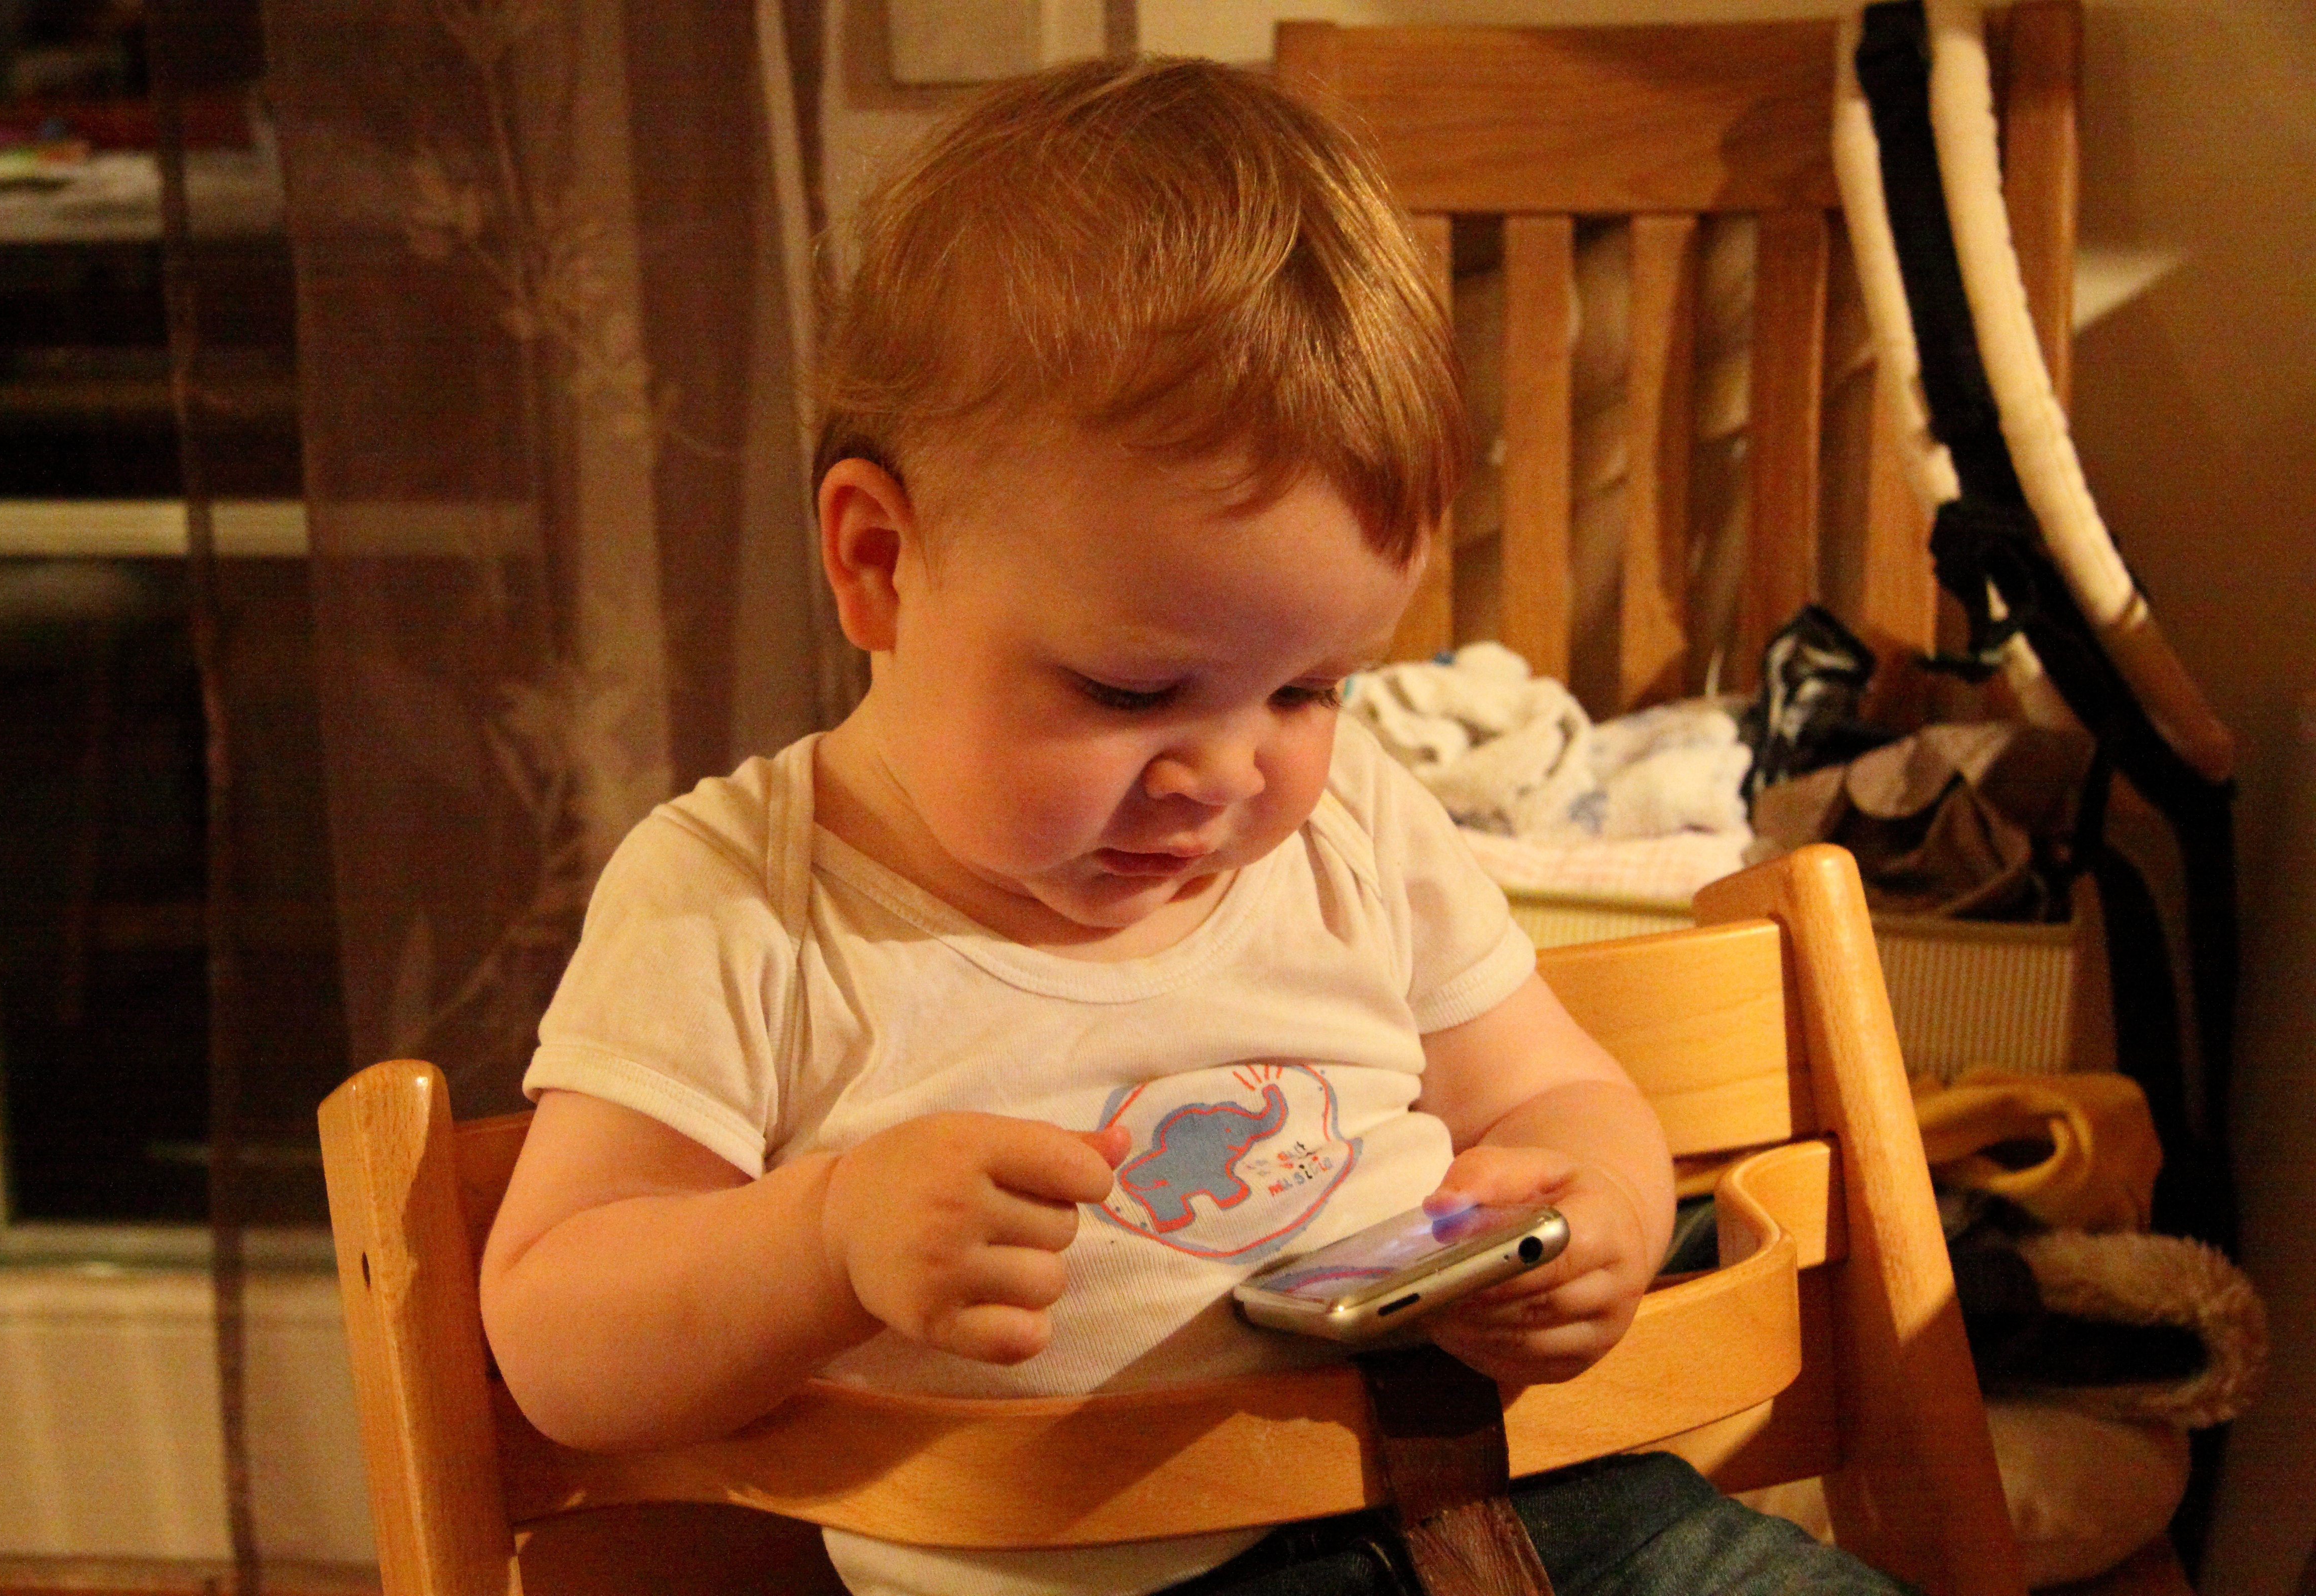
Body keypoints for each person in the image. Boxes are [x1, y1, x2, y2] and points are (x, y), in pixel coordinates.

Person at [479, 55, 1912, 1596]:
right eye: (1132, 689)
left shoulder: (1355, 823)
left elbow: (1555, 1094)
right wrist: (825, 1240)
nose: (1226, 773)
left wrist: (1598, 1208)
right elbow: (558, 1341)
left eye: (1309, 686)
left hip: (1545, 1509)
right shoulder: (737, 900)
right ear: (880, 562)